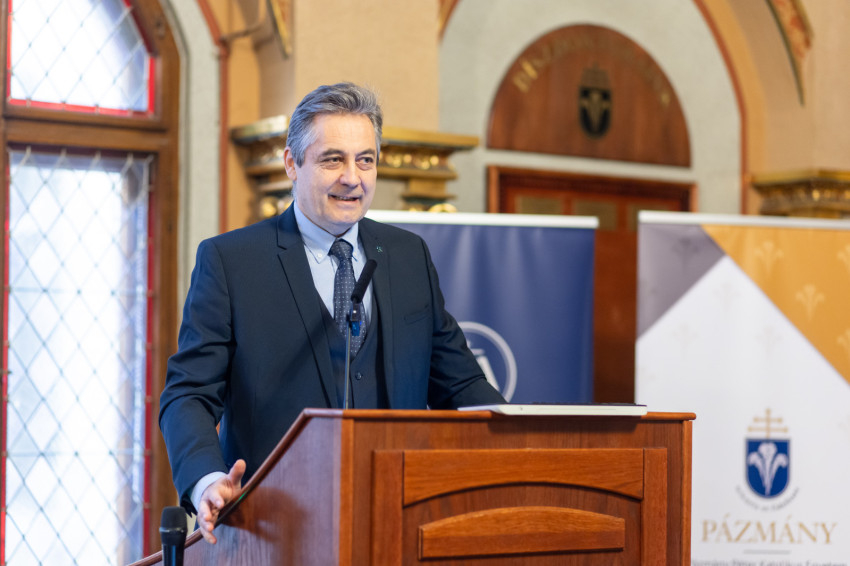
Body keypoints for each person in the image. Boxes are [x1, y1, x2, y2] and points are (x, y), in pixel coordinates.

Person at [158, 82, 506, 544]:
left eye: (365, 160)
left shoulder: (408, 256)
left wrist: (522, 444)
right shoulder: (232, 262)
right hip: (275, 529)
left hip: (399, 521)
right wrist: (207, 480)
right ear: (291, 163)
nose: (352, 178)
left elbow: (459, 385)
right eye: (332, 160)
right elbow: (188, 394)